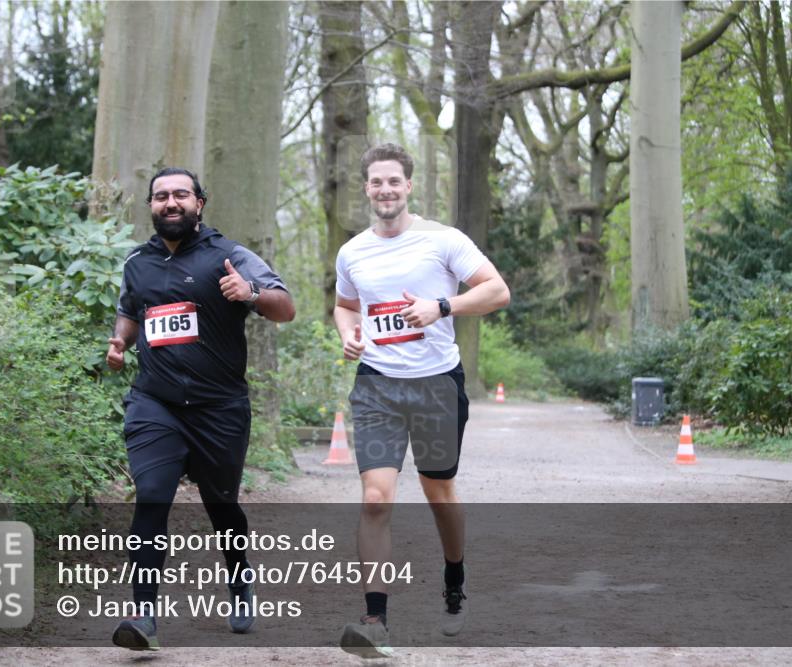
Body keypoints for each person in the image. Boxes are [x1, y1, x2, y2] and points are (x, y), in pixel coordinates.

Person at [105, 167, 295, 650]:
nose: (171, 203)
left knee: (222, 505)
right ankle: (143, 615)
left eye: (181, 195)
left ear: (199, 203)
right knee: (151, 494)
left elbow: (284, 307)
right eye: (161, 196)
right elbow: (132, 309)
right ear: (151, 205)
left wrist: (249, 293)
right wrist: (120, 341)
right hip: (156, 402)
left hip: (219, 408)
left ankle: (239, 582)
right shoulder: (137, 263)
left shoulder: (229, 256)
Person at [333, 144, 510, 658]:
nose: (385, 190)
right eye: (375, 182)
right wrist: (349, 334)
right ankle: (374, 621)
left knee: (439, 493)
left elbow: (497, 291)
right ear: (365, 189)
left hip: (436, 383)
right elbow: (345, 306)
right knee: (375, 497)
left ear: (409, 186)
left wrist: (441, 306)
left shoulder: (443, 241)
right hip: (377, 384)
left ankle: (454, 576)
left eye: (394, 181)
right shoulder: (353, 252)